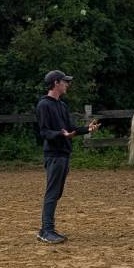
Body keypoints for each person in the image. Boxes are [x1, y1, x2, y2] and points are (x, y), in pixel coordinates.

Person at [36, 70, 100, 244]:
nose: (67, 84)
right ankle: (46, 231)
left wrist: (87, 129)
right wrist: (60, 134)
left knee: (57, 193)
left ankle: (46, 229)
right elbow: (44, 132)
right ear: (56, 83)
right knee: (52, 193)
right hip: (54, 154)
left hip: (64, 154)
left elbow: (70, 128)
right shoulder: (44, 105)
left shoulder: (62, 106)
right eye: (65, 81)